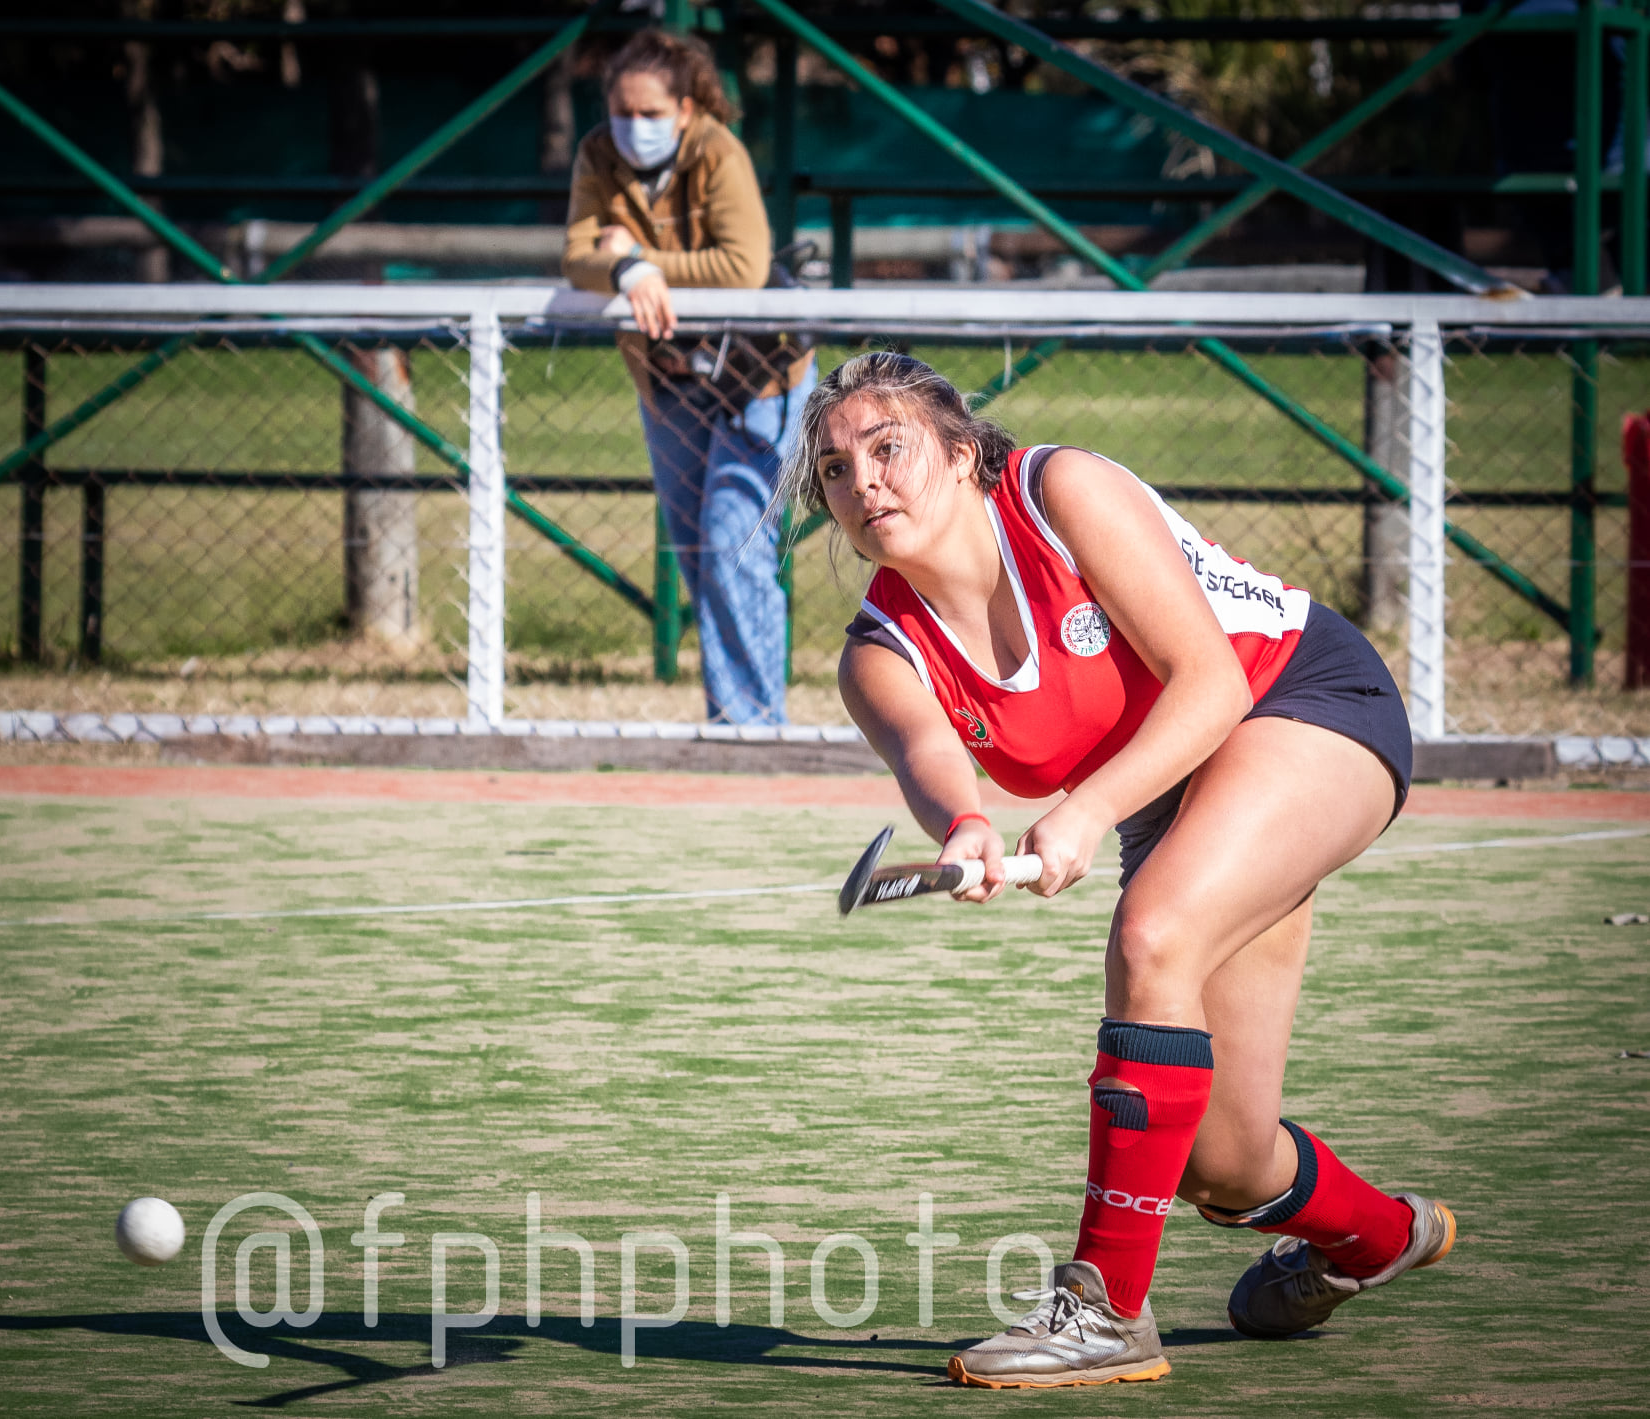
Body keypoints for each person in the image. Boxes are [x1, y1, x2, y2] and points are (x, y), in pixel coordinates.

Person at [782, 352, 1456, 1389]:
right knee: (1220, 1164)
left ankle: (1102, 1313)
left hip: (1299, 703)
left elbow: (1211, 681)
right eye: (833, 469)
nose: (862, 482)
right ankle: (1378, 1238)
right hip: (1178, 787)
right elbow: (932, 760)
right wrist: (963, 824)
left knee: (1150, 934)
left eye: (887, 449)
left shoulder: (1060, 491)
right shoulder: (878, 650)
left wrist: (1086, 810)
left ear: (962, 454)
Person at [563, 30, 815, 726]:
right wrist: (622, 271)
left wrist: (635, 254)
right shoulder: (595, 154)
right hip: (668, 377)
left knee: (736, 539)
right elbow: (576, 256)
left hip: (759, 376)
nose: (630, 127)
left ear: (683, 108)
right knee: (700, 552)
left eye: (648, 114)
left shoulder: (716, 150)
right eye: (620, 110)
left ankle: (756, 728)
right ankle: (729, 719)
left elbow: (744, 265)